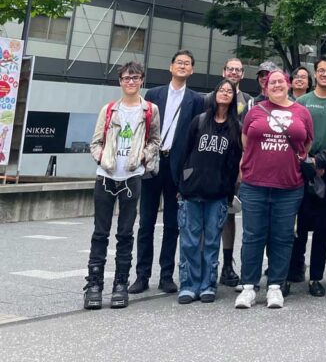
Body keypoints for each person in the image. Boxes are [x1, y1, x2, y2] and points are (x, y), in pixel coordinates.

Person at [83, 61, 160, 310]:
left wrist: (142, 158)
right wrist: (102, 158)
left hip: (132, 176)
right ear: (120, 81)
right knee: (100, 233)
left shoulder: (150, 110)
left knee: (125, 233)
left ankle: (120, 283)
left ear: (142, 81)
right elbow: (95, 142)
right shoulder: (108, 110)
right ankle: (94, 284)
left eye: (135, 78)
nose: (130, 82)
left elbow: (155, 141)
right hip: (105, 176)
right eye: (126, 78)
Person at [235, 69, 314, 309]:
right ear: (265, 87)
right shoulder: (255, 111)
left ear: (288, 85)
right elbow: (246, 141)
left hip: (289, 186)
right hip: (255, 184)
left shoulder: (302, 112)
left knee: (282, 236)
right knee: (252, 236)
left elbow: (307, 142)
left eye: (281, 81)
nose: (277, 85)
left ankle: (275, 286)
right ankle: (248, 286)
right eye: (272, 82)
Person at [129, 50, 204, 295]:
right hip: (152, 164)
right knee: (146, 223)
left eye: (187, 64)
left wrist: (190, 171)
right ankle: (141, 276)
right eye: (179, 63)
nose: (182, 66)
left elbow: (196, 139)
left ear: (192, 70)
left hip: (178, 167)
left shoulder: (197, 100)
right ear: (171, 67)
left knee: (173, 224)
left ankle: (166, 275)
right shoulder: (153, 95)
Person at [177, 78, 243, 303]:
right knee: (190, 240)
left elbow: (235, 163)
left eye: (229, 91)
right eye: (221, 89)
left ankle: (208, 284)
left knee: (212, 240)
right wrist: (181, 184)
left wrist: (230, 190)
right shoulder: (199, 121)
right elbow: (185, 153)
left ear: (234, 97)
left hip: (218, 193)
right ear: (214, 94)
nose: (225, 93)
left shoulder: (236, 127)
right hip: (192, 190)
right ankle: (188, 284)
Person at [288, 56, 326, 295]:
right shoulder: (301, 101)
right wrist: (306, 161)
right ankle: (292, 275)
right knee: (298, 227)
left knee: (323, 228)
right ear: (315, 74)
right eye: (320, 70)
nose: (324, 74)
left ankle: (315, 278)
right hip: (300, 168)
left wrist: (322, 159)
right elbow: (294, 135)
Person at [207, 58, 253, 288]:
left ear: (242, 74)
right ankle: (207, 266)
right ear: (223, 71)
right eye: (230, 69)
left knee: (229, 214)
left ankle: (227, 264)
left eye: (238, 69)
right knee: (207, 215)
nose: (234, 72)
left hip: (237, 165)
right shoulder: (210, 98)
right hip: (211, 163)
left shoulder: (249, 102)